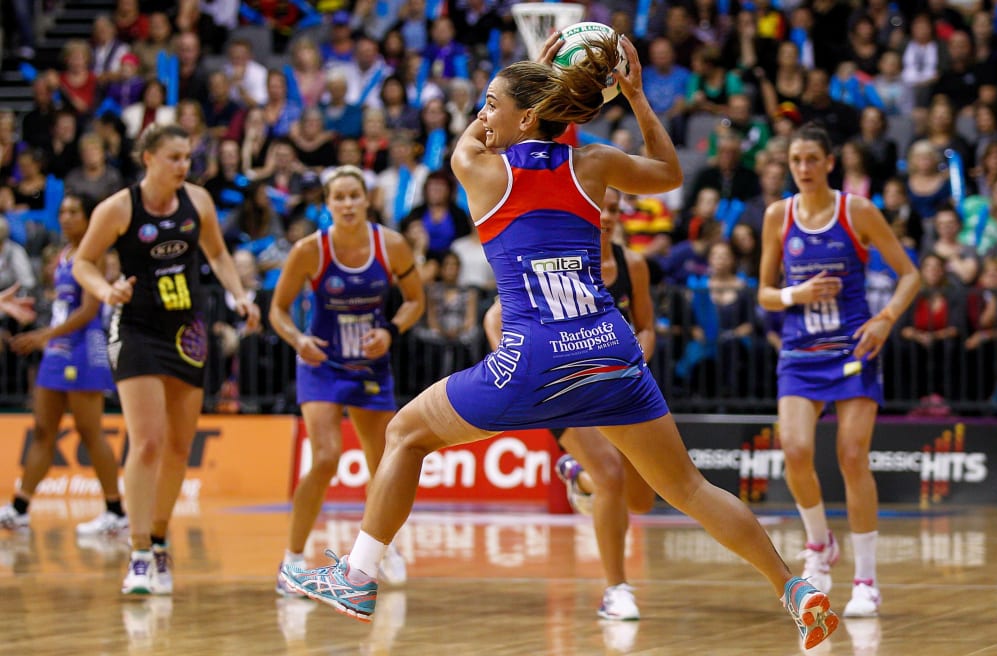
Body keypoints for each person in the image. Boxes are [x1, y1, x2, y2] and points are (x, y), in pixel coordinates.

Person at [280, 33, 838, 649]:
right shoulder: (592, 165)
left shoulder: (482, 169)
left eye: (491, 103)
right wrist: (635, 95)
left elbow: (472, 135)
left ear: (525, 115)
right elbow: (670, 173)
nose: (481, 115)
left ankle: (358, 576)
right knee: (689, 489)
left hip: (534, 357)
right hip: (610, 348)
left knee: (405, 435)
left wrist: (541, 71)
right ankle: (794, 589)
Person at [72, 124, 260, 595]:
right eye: (174, 157)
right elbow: (83, 262)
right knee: (149, 442)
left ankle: (158, 541)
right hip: (135, 328)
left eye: (187, 157)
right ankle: (137, 553)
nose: (184, 166)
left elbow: (217, 254)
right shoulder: (118, 208)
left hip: (187, 331)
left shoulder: (198, 202)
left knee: (179, 446)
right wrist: (104, 289)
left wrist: (240, 297)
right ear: (148, 158)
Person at [757, 124, 919, 618]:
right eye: (795, 160)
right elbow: (763, 293)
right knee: (796, 449)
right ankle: (819, 543)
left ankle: (867, 580)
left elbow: (909, 274)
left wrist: (886, 318)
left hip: (853, 349)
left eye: (811, 159)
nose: (803, 168)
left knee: (852, 456)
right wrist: (794, 295)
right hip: (801, 352)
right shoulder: (778, 216)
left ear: (830, 163)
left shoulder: (857, 211)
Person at [482, 187, 658, 621]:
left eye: (615, 209)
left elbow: (649, 327)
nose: (609, 216)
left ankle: (578, 478)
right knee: (612, 474)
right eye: (601, 208)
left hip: (616, 381)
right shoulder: (556, 253)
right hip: (560, 386)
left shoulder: (632, 265)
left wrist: (630, 355)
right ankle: (616, 589)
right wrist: (517, 367)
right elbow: (493, 318)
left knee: (642, 499)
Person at [268, 164, 424, 594]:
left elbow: (415, 301)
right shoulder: (309, 250)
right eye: (339, 197)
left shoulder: (390, 245)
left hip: (371, 365)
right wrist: (298, 339)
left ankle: (382, 550)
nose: (348, 203)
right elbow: (277, 311)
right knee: (325, 457)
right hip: (321, 363)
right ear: (327, 204)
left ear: (367, 199)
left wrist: (391, 330)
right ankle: (293, 560)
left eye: (355, 195)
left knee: (385, 466)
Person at [1, 194, 127, 536]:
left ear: (89, 218)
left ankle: (116, 510)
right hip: (57, 347)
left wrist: (44, 334)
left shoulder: (95, 253)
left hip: (84, 347)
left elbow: (88, 311)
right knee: (43, 429)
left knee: (90, 431)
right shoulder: (62, 256)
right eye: (63, 212)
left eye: (75, 211)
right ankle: (21, 508)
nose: (67, 217)